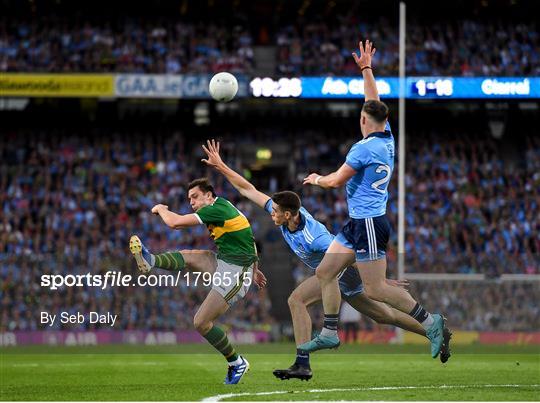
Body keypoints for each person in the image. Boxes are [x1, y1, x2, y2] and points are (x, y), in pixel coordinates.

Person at [201, 140, 448, 382]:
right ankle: (435, 331)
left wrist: (377, 278)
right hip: (335, 275)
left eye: (275, 211)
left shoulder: (314, 237)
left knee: (296, 299)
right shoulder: (287, 214)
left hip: (340, 271)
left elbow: (346, 256)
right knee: (385, 316)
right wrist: (221, 166)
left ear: (288, 214)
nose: (271, 213)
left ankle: (302, 363)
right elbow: (247, 189)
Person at [301, 40, 451, 360]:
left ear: (364, 121)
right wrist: (366, 69)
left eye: (361, 116)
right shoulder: (387, 137)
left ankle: (430, 321)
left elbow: (335, 181)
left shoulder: (363, 148)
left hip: (369, 222)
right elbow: (374, 100)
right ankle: (329, 332)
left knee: (376, 289)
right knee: (326, 273)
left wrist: (316, 179)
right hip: (359, 222)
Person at [129, 178, 267, 384]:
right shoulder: (224, 206)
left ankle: (236, 362)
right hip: (226, 261)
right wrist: (256, 268)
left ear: (209, 196)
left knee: (201, 322)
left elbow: (175, 223)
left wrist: (160, 208)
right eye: (189, 199)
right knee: (189, 255)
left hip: (236, 272)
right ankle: (151, 261)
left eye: (195, 197)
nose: (191, 202)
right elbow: (249, 238)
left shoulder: (215, 210)